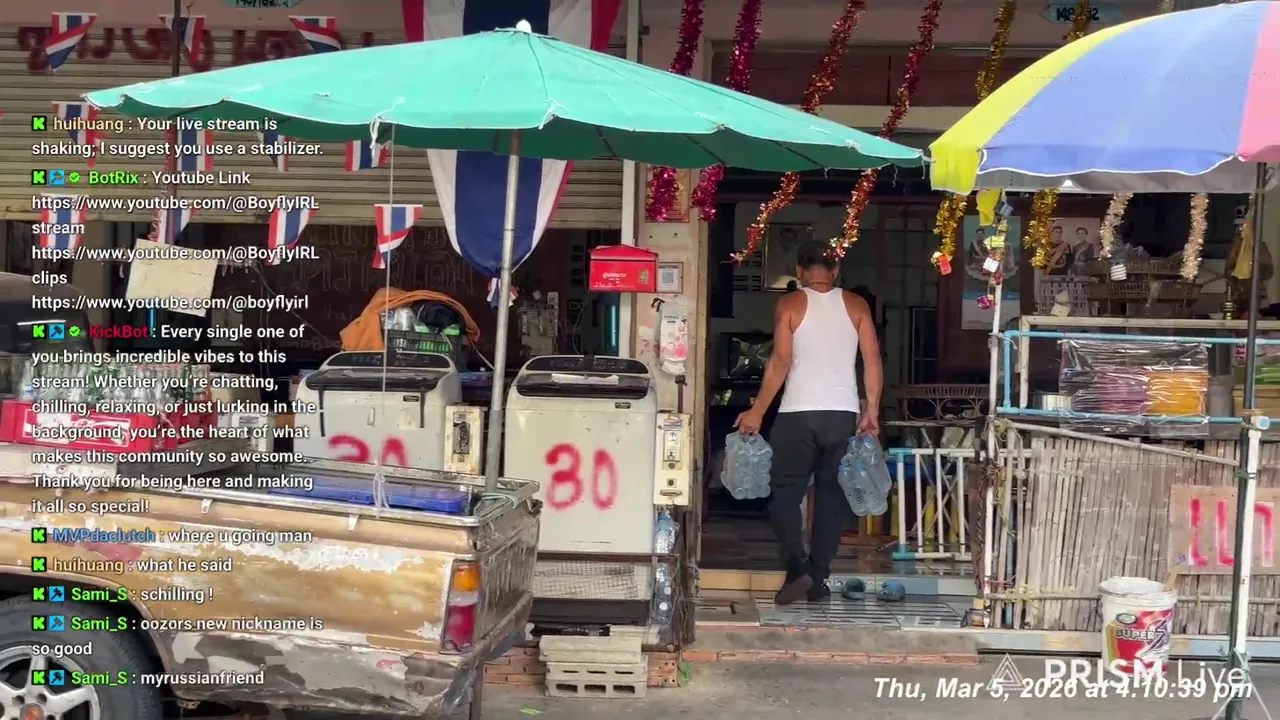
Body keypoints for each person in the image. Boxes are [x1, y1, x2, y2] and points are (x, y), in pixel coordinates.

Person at [734, 239, 883, 605]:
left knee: (784, 495)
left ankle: (796, 568)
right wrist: (872, 411)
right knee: (832, 499)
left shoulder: (789, 304)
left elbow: (780, 361)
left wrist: (757, 411)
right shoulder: (857, 305)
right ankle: (816, 579)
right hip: (841, 414)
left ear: (799, 270)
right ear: (835, 271)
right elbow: (872, 361)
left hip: (797, 415)